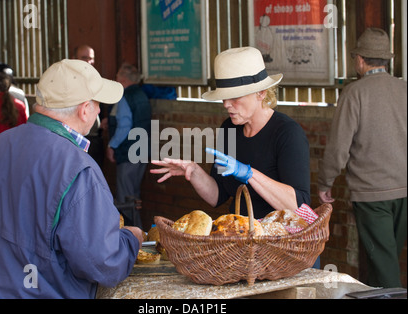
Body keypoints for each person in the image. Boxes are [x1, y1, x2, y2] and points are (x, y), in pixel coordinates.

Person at [0, 59, 143, 299]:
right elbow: (102, 263)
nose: (100, 110)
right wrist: (131, 239)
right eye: (98, 104)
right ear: (84, 108)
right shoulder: (79, 169)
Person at [151, 47, 311, 220]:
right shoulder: (229, 128)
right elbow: (217, 196)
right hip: (239, 235)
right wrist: (194, 171)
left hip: (277, 240)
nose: (226, 104)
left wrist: (249, 174)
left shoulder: (288, 133)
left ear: (261, 93)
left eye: (235, 97)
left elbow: (299, 208)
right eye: (224, 97)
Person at [318, 28, 407, 288]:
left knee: (384, 267)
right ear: (386, 60)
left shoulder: (354, 93)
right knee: (386, 261)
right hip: (404, 192)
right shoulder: (404, 89)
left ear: (360, 60)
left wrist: (325, 183)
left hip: (372, 195)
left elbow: (338, 147)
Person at [107, 63, 152, 228]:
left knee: (125, 198)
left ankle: (131, 236)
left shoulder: (124, 96)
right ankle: (138, 233)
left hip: (128, 152)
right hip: (142, 151)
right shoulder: (141, 95)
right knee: (133, 195)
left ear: (123, 79)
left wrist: (112, 145)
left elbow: (124, 126)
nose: (116, 79)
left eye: (118, 76)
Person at [73, 44, 105, 168]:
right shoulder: (67, 80)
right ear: (74, 58)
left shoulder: (97, 81)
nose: (88, 62)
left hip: (95, 139)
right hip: (75, 139)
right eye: (84, 58)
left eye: (91, 58)